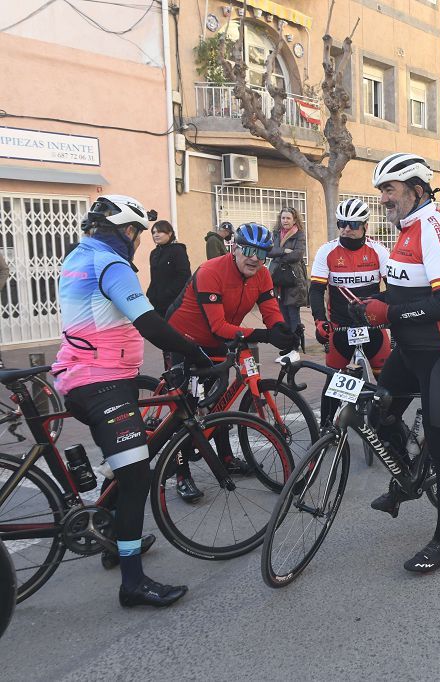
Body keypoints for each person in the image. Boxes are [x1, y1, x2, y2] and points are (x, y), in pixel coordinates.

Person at [50, 195, 213, 608]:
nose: (139, 241)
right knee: (137, 475)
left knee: (126, 459)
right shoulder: (111, 264)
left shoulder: (78, 256)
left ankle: (112, 536)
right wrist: (195, 352)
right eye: (138, 233)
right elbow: (150, 324)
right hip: (100, 382)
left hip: (87, 374)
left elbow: (97, 323)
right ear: (128, 231)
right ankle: (133, 584)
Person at [357, 152, 440, 573]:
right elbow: (407, 294)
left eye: (389, 190)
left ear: (417, 190)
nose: (383, 199)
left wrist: (388, 313)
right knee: (377, 413)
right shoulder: (405, 230)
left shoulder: (436, 231)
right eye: (381, 191)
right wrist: (375, 305)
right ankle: (408, 477)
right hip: (410, 350)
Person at [165, 222, 297, 501]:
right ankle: (181, 474)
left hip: (219, 339)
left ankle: (226, 458)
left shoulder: (261, 275)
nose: (254, 258)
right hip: (183, 337)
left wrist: (282, 330)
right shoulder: (211, 271)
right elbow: (218, 326)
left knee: (220, 400)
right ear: (234, 248)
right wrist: (263, 334)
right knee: (185, 409)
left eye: (261, 254)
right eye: (247, 250)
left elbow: (271, 312)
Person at [309, 198, 392, 428]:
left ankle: (386, 427)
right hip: (341, 328)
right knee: (333, 382)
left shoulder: (379, 251)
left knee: (386, 381)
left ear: (365, 225)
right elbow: (315, 291)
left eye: (353, 224)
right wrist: (319, 320)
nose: (346, 228)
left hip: (373, 326)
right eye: (342, 223)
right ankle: (326, 429)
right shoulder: (327, 251)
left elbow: (394, 289)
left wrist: (384, 308)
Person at [268, 207, 308, 338]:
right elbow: (269, 251)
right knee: (282, 312)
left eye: (288, 218)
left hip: (293, 278)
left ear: (294, 219)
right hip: (278, 278)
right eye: (283, 218)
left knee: (293, 313)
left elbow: (297, 255)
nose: (285, 220)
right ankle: (288, 342)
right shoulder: (275, 233)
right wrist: (283, 251)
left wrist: (277, 254)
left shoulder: (299, 234)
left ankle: (296, 343)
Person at [146, 220, 191, 318]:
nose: (156, 235)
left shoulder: (178, 250)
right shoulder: (154, 253)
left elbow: (184, 276)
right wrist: (151, 293)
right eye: (153, 232)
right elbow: (154, 277)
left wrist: (168, 293)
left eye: (160, 232)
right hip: (157, 303)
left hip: (174, 302)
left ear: (169, 233)